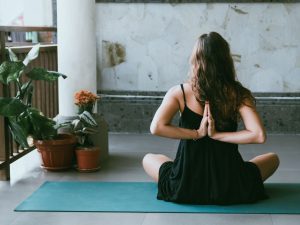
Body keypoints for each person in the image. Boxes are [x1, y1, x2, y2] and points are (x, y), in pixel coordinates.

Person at [142, 32, 280, 205]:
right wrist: (217, 135)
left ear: (195, 60)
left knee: (148, 158)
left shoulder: (179, 93)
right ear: (225, 61)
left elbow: (156, 127)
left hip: (185, 185)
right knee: (273, 158)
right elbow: (258, 135)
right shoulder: (238, 94)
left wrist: (197, 133)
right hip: (231, 185)